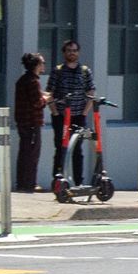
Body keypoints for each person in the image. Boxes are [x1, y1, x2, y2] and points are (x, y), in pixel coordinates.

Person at [46, 39, 95, 186]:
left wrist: (84, 113)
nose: (72, 53)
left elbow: (91, 92)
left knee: (77, 149)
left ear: (78, 53)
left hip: (78, 116)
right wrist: (55, 113)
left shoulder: (85, 71)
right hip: (61, 116)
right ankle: (58, 181)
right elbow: (49, 94)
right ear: (64, 53)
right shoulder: (58, 71)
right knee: (60, 148)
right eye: (69, 51)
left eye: (74, 51)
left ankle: (79, 182)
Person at [13, 52, 51, 193]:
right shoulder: (33, 82)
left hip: (23, 121)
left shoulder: (23, 80)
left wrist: (43, 94)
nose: (44, 65)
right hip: (32, 122)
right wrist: (46, 99)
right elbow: (37, 102)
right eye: (42, 63)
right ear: (36, 65)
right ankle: (30, 183)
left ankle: (22, 182)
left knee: (24, 152)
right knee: (32, 154)